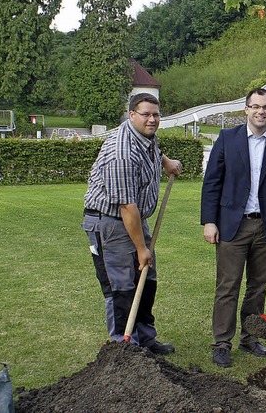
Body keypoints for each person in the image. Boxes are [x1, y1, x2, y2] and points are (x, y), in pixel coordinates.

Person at [201, 88, 266, 368]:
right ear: (246, 110)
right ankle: (221, 343)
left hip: (265, 226)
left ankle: (250, 338)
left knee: (258, 287)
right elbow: (212, 182)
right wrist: (209, 221)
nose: (261, 111)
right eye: (256, 106)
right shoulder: (227, 139)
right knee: (228, 287)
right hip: (231, 226)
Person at [82, 92, 182, 355]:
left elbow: (151, 150)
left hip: (133, 218)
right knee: (123, 286)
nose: (152, 119)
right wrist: (141, 248)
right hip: (111, 222)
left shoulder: (145, 135)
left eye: (156, 114)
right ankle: (124, 350)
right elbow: (127, 206)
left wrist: (166, 162)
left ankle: (146, 339)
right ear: (131, 115)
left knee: (146, 279)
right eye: (145, 114)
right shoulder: (121, 153)